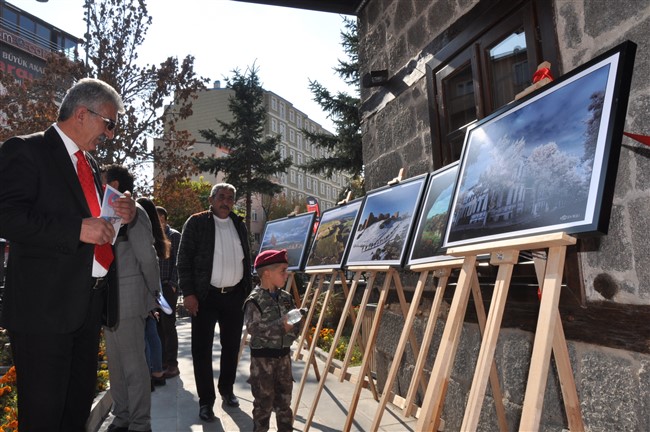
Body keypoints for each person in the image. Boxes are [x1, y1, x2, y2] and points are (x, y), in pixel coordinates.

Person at [0, 78, 135, 431]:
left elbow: (94, 222)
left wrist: (120, 215)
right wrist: (75, 229)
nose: (110, 134)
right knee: (44, 418)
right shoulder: (25, 150)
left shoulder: (88, 162)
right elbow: (7, 216)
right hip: (43, 312)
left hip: (85, 308)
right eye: (109, 123)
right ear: (82, 113)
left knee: (75, 415)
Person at [177, 183, 252, 422]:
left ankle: (227, 390)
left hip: (234, 296)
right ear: (211, 200)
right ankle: (206, 401)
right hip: (205, 296)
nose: (225, 201)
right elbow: (183, 260)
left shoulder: (239, 224)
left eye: (230, 198)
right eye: (221, 196)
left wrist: (248, 291)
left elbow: (246, 258)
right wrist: (189, 293)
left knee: (231, 347)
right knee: (201, 350)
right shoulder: (196, 222)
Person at [102, 169, 160, 432]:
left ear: (114, 184)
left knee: (134, 365)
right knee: (116, 365)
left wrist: (154, 293)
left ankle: (139, 422)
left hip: (129, 299)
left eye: (102, 179)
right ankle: (122, 416)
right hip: (108, 301)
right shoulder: (105, 212)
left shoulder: (135, 210)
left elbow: (147, 257)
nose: (98, 183)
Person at [244, 249, 301, 432]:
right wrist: (281, 327)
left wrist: (292, 327)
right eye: (282, 271)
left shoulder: (286, 298)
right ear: (267, 273)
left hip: (283, 359)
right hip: (263, 362)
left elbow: (296, 325)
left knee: (285, 404)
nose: (286, 274)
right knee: (263, 405)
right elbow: (254, 328)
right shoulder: (254, 300)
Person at [155, 205, 182, 378]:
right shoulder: (151, 236)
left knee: (168, 325)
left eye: (161, 219)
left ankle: (172, 364)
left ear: (166, 219)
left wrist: (173, 284)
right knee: (157, 326)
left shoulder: (174, 235)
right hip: (154, 287)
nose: (159, 223)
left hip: (167, 287)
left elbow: (179, 262)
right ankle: (162, 362)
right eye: (155, 219)